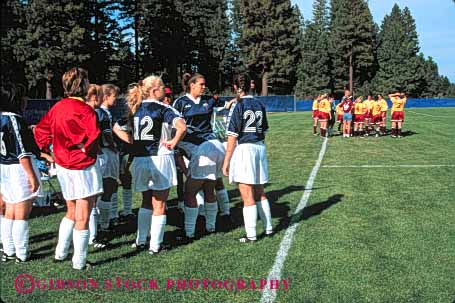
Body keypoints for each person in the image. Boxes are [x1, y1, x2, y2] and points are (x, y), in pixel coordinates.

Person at [34, 67, 102, 270]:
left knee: (71, 211)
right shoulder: (86, 110)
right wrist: (83, 149)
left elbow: (40, 131)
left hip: (63, 165)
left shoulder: (57, 107)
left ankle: (61, 252)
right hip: (82, 166)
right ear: (84, 85)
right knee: (83, 214)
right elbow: (94, 136)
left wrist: (51, 151)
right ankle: (79, 262)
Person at [114, 75, 186, 253]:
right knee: (160, 203)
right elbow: (182, 127)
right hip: (160, 158)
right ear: (155, 90)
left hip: (140, 159)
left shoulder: (135, 108)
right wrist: (174, 142)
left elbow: (116, 127)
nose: (164, 90)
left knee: (146, 201)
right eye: (162, 87)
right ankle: (155, 245)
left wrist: (131, 141)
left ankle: (140, 240)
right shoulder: (163, 108)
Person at [173, 73, 226, 241]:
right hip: (202, 147)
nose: (204, 87)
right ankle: (211, 226)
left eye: (204, 84)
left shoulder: (208, 100)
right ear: (192, 85)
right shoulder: (180, 102)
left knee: (191, 192)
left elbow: (226, 105)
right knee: (208, 188)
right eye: (201, 84)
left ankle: (190, 232)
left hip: (205, 148)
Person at [222, 72, 273, 242]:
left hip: (245, 149)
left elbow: (232, 136)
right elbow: (264, 130)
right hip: (259, 147)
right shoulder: (259, 103)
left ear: (236, 87)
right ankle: (268, 228)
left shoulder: (239, 105)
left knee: (247, 194)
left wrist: (227, 161)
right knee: (260, 191)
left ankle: (251, 235)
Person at [1, 83, 42, 263]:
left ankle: (8, 250)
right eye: (24, 97)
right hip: (18, 169)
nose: (26, 100)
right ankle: (22, 253)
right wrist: (32, 175)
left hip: (4, 167)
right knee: (21, 213)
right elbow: (21, 151)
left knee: (9, 210)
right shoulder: (13, 119)